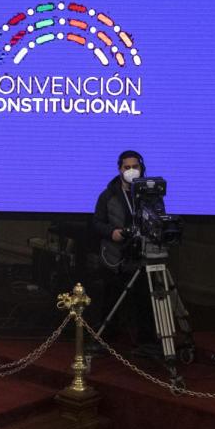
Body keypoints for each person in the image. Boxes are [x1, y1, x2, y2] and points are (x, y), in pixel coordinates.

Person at [91, 150, 156, 352]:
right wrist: (112, 233)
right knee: (110, 299)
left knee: (144, 300)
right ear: (119, 170)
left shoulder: (149, 193)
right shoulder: (108, 195)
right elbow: (96, 223)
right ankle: (105, 338)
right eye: (126, 167)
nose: (131, 171)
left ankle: (147, 341)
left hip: (142, 255)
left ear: (141, 168)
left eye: (134, 167)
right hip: (115, 256)